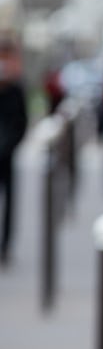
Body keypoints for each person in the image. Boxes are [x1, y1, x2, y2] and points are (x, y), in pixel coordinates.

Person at [0, 41, 28, 268]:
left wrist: (10, 145)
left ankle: (5, 246)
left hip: (8, 155)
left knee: (9, 202)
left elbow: (22, 122)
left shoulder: (16, 89)